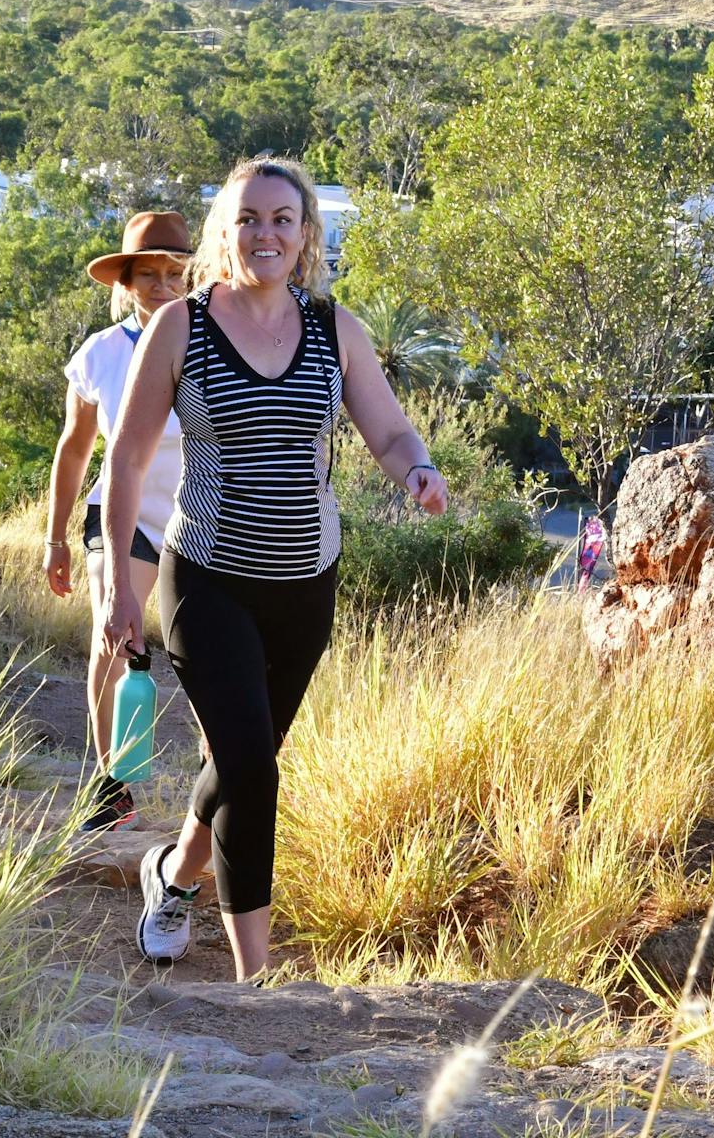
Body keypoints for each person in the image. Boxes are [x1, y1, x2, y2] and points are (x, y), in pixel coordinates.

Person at [101, 157, 448, 981]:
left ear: (305, 236)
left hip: (306, 585)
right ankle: (256, 982)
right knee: (254, 768)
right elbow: (125, 460)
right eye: (249, 218)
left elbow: (390, 431)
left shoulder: (335, 328)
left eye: (282, 220)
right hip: (209, 577)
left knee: (237, 762)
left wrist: (418, 471)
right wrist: (118, 581)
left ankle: (173, 875)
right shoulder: (180, 327)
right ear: (226, 228)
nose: (265, 233)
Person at [43, 210, 193, 831]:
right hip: (119, 512)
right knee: (114, 625)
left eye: (174, 274)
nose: (163, 286)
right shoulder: (99, 354)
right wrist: (54, 538)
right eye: (149, 275)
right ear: (125, 284)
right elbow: (75, 449)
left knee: (199, 650)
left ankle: (219, 780)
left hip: (198, 513)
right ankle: (111, 786)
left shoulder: (212, 339)